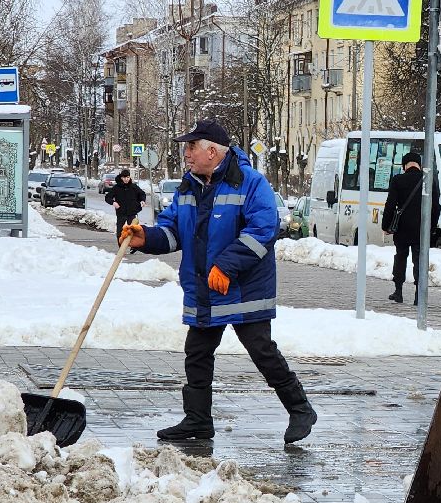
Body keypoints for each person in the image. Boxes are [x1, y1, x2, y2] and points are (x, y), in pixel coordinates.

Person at [124, 119, 316, 447]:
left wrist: (226, 267)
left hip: (243, 289)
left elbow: (263, 230)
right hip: (204, 288)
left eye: (190, 147)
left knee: (261, 351)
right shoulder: (188, 186)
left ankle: (300, 409)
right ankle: (198, 420)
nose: (185, 154)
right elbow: (172, 229)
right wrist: (146, 237)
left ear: (212, 151)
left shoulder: (251, 183)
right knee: (197, 352)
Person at [381, 151, 441, 305]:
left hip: (402, 228)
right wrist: (432, 227)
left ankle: (398, 291)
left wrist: (386, 225)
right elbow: (436, 207)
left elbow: (390, 205)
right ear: (419, 164)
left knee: (400, 257)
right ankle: (418, 296)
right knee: (419, 260)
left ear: (404, 165)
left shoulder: (398, 180)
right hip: (421, 228)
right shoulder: (428, 181)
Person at [103, 168, 146, 244]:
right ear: (121, 178)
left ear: (129, 178)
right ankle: (120, 246)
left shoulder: (133, 187)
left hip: (132, 213)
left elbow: (142, 194)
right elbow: (107, 197)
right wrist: (113, 203)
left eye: (128, 177)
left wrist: (142, 200)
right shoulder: (116, 188)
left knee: (134, 231)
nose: (126, 179)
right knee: (120, 231)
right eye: (124, 177)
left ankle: (133, 246)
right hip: (121, 213)